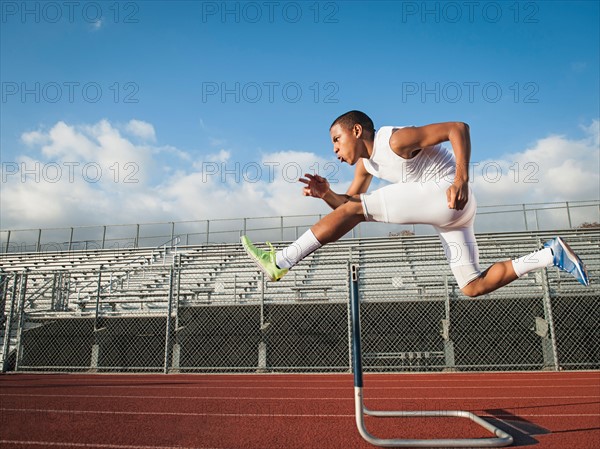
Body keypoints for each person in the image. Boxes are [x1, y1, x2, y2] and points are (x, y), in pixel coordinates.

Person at [241, 110, 589, 296]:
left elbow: (458, 127)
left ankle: (281, 261)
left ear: (357, 131)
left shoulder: (394, 140)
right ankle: (548, 254)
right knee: (471, 286)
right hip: (453, 215)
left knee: (357, 211)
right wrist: (326, 194)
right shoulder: (366, 165)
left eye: (336, 139)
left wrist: (460, 179)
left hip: (447, 193)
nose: (334, 149)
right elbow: (347, 206)